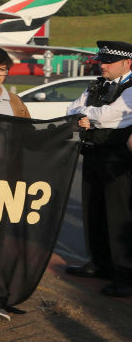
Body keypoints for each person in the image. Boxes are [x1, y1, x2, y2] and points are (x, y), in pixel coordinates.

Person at [64, 40, 132, 298]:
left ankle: (125, 274)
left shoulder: (131, 86)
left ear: (127, 63)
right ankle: (100, 263)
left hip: (118, 159)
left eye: (108, 62)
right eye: (101, 61)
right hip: (93, 152)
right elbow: (72, 108)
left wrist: (89, 116)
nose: (102, 66)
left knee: (119, 216)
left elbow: (109, 116)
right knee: (94, 211)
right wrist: (90, 116)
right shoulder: (97, 84)